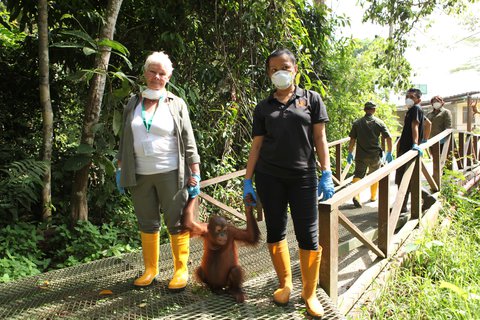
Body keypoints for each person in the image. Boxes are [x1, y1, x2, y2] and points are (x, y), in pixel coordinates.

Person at [242, 48, 335, 318]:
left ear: (294, 68)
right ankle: (284, 285)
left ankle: (309, 294)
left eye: (284, 66)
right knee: (275, 230)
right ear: (269, 74)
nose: (279, 72)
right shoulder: (263, 107)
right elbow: (256, 146)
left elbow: (320, 139)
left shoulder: (312, 99)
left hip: (303, 176)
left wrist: (326, 172)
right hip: (269, 177)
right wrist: (248, 180)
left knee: (308, 234)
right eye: (273, 69)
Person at [116, 51, 201, 291]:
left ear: (168, 77)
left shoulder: (176, 103)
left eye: (162, 73)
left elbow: (189, 139)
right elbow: (124, 138)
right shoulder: (132, 103)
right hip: (139, 173)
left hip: (171, 172)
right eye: (152, 71)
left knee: (175, 221)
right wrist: (120, 168)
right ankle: (150, 270)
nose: (156, 76)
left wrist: (195, 173)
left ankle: (180, 271)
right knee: (147, 221)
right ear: (145, 73)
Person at [395, 88, 435, 213]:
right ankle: (402, 207)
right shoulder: (413, 110)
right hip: (406, 148)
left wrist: (416, 143)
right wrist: (425, 140)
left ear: (418, 99)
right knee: (403, 178)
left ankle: (426, 198)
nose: (408, 99)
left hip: (409, 149)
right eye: (407, 96)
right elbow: (428, 124)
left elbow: (415, 125)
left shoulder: (416, 109)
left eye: (412, 97)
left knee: (403, 178)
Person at [347, 101, 393, 208]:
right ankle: (373, 197)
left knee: (358, 175)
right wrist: (389, 152)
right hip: (374, 155)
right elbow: (389, 138)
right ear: (374, 110)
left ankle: (356, 196)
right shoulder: (379, 123)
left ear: (364, 110)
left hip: (361, 155)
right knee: (374, 175)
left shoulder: (357, 123)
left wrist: (350, 153)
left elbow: (352, 139)